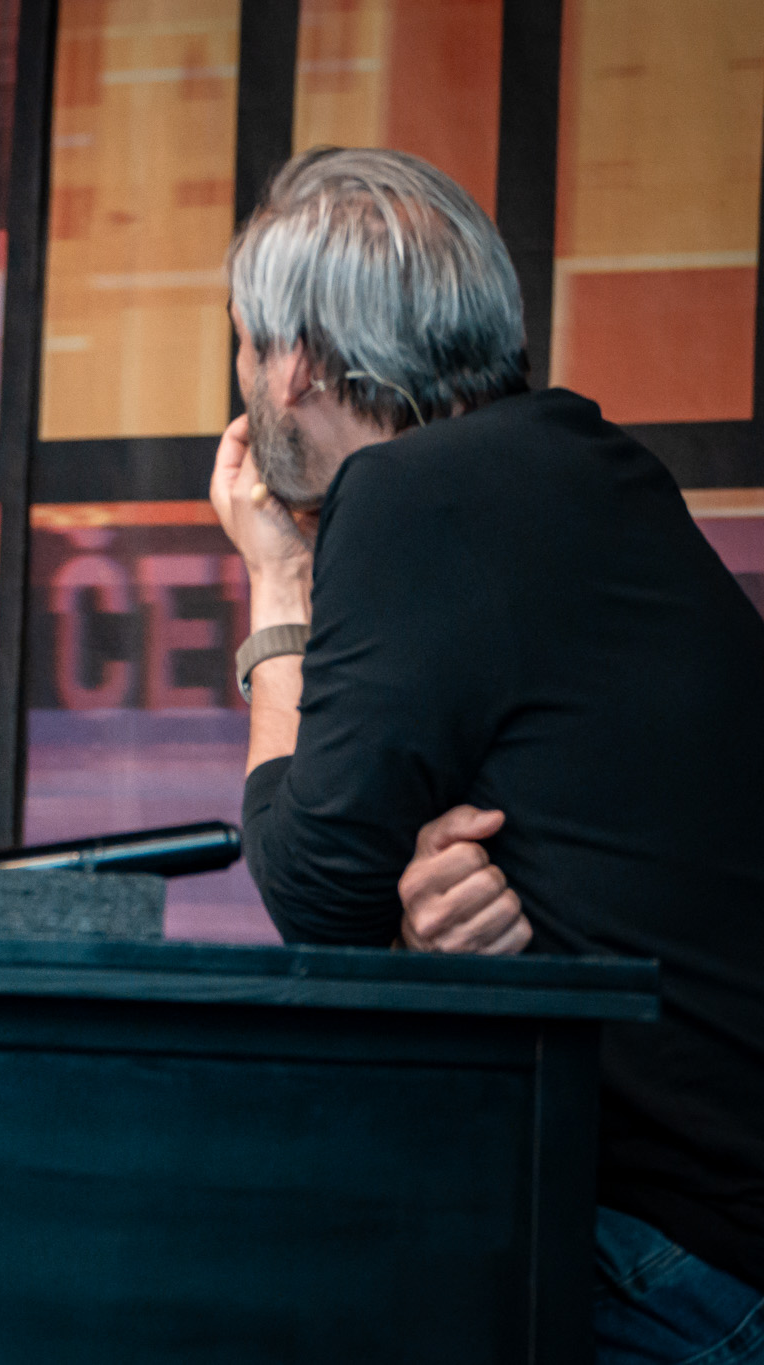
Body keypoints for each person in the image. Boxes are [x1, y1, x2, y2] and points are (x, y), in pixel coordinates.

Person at [211, 147, 764, 1363]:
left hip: (678, 1261)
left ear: (295, 361)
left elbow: (313, 891)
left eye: (244, 347)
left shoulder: (410, 497)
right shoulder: (580, 462)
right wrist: (412, 913)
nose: (243, 388)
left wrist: (277, 585)